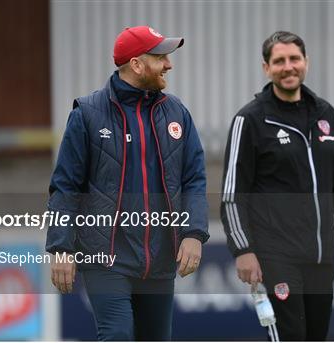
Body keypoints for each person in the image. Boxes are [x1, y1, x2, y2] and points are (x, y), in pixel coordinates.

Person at [46, 26, 209, 341]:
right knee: (117, 333)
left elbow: (194, 179)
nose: (169, 65)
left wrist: (194, 232)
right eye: (160, 57)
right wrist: (61, 246)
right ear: (136, 65)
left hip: (160, 259)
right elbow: (65, 186)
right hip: (105, 256)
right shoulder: (88, 114)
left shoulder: (177, 112)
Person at [220, 31, 334, 341]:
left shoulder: (327, 116)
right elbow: (232, 195)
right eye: (279, 61)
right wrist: (243, 250)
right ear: (266, 68)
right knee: (290, 335)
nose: (288, 67)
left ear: (306, 62)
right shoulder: (251, 120)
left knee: (315, 336)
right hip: (275, 256)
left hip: (320, 255)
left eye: (294, 59)